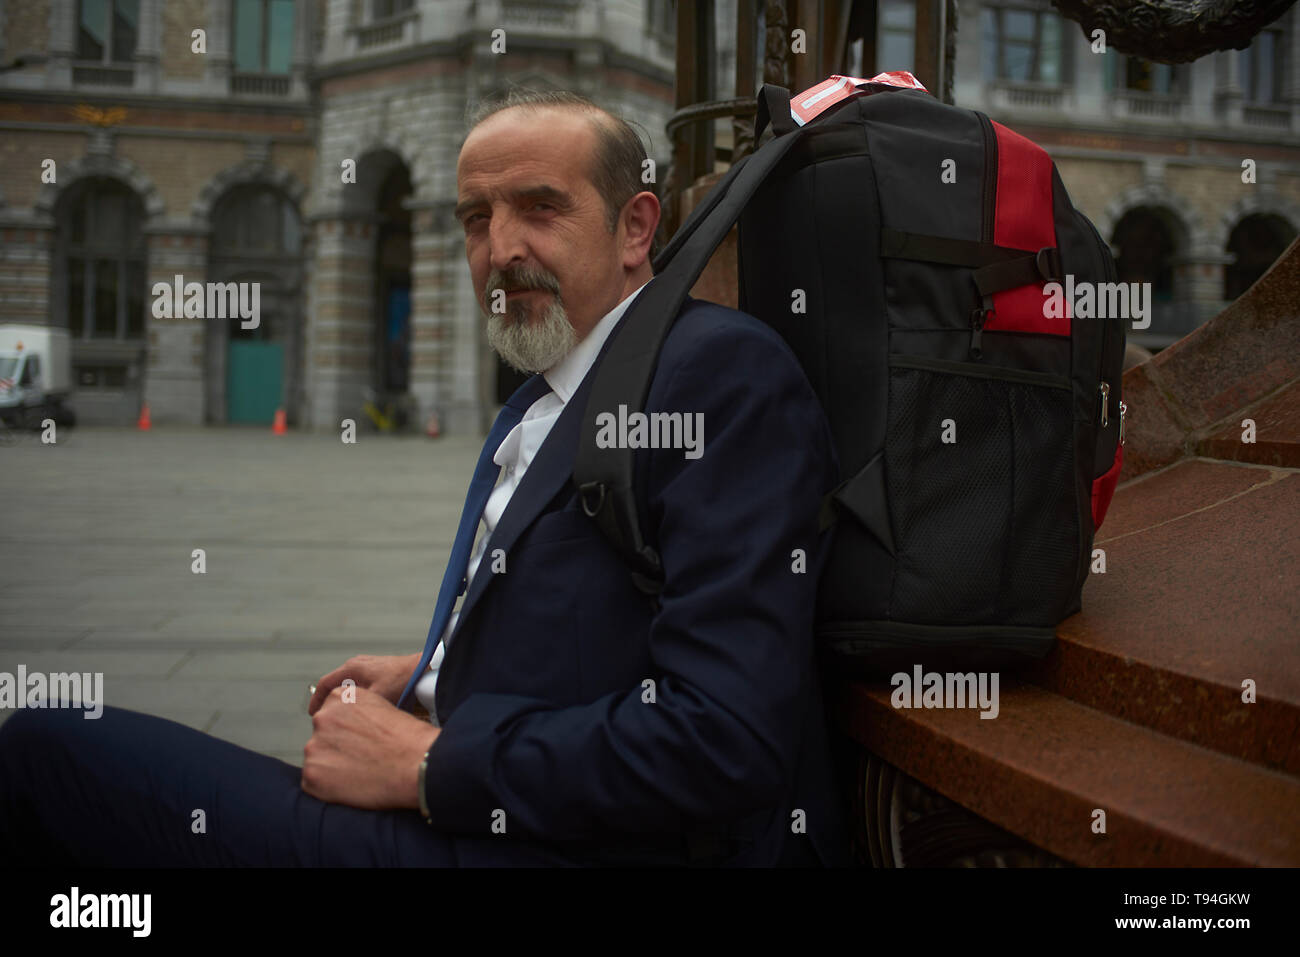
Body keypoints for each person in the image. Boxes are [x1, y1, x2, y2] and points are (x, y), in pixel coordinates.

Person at [0, 90, 851, 867]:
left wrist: (427, 761)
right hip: (507, 812)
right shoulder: (547, 395)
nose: (500, 248)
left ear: (635, 229)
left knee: (48, 752)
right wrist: (437, 670)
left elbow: (724, 737)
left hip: (550, 843)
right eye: (475, 218)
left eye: (540, 208)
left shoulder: (717, 375)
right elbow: (615, 624)